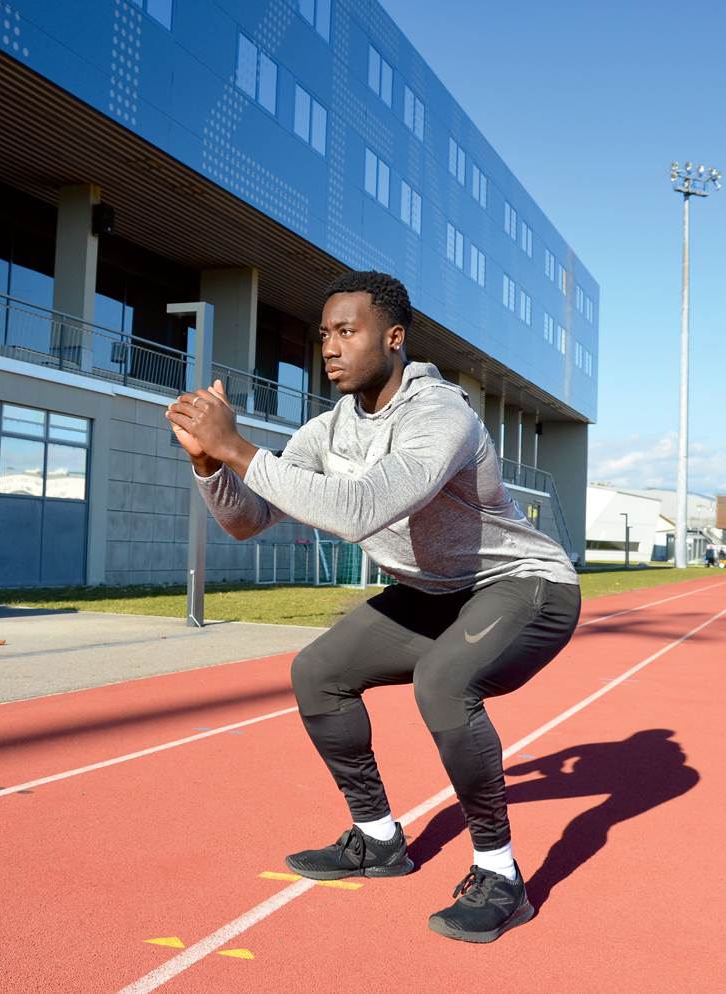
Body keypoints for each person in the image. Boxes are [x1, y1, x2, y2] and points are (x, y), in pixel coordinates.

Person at [165, 271, 580, 943]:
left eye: (348, 331)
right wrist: (211, 465)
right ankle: (378, 838)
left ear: (393, 338)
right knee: (317, 672)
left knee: (444, 682)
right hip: (434, 592)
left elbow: (361, 510)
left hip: (525, 585)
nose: (330, 347)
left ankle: (501, 876)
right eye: (324, 334)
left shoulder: (438, 413)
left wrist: (240, 448)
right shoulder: (329, 429)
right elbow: (248, 519)